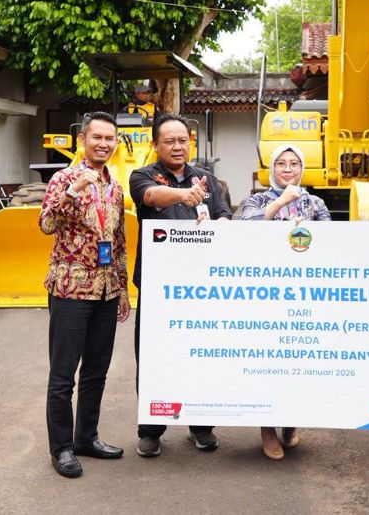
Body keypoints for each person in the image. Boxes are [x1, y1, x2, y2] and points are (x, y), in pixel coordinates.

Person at [129, 114, 232, 457]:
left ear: (191, 142)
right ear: (155, 145)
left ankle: (201, 426)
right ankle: (151, 430)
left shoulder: (208, 179)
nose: (177, 146)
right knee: (154, 358)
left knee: (200, 355)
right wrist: (184, 195)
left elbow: (224, 214)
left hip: (200, 287)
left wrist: (219, 223)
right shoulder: (142, 176)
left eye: (183, 140)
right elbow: (151, 197)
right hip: (159, 287)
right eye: (169, 141)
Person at [38, 111, 131, 478]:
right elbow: (46, 223)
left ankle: (86, 438)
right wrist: (74, 190)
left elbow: (119, 241)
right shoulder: (63, 179)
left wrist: (122, 288)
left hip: (106, 291)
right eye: (97, 137)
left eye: (110, 139)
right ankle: (61, 448)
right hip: (70, 290)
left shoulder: (115, 187)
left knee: (96, 371)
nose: (104, 144)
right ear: (83, 140)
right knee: (63, 375)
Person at [239, 144, 330, 460]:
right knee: (268, 362)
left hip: (304, 294)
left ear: (302, 169)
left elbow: (333, 242)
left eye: (294, 164)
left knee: (298, 361)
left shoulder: (315, 203)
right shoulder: (258, 200)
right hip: (265, 294)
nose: (288, 169)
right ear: (271, 169)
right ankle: (267, 428)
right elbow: (244, 230)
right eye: (281, 163)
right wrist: (281, 202)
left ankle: (291, 420)